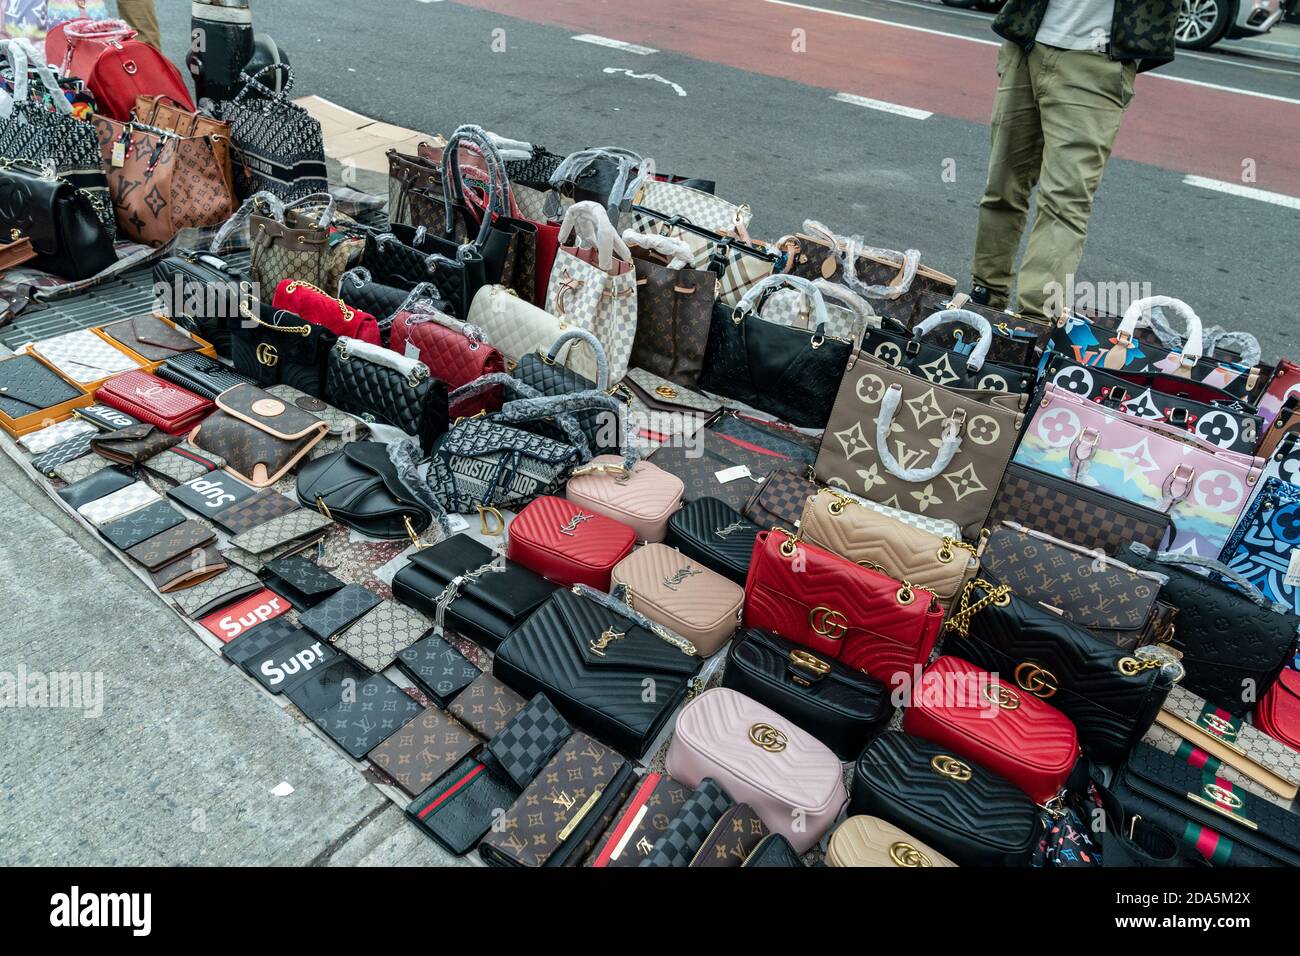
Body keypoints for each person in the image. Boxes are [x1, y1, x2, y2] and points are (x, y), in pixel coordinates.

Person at [969, 0, 1178, 319]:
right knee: (1002, 186)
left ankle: (1035, 319)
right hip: (1027, 41)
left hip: (1097, 61)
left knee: (1064, 201)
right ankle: (985, 294)